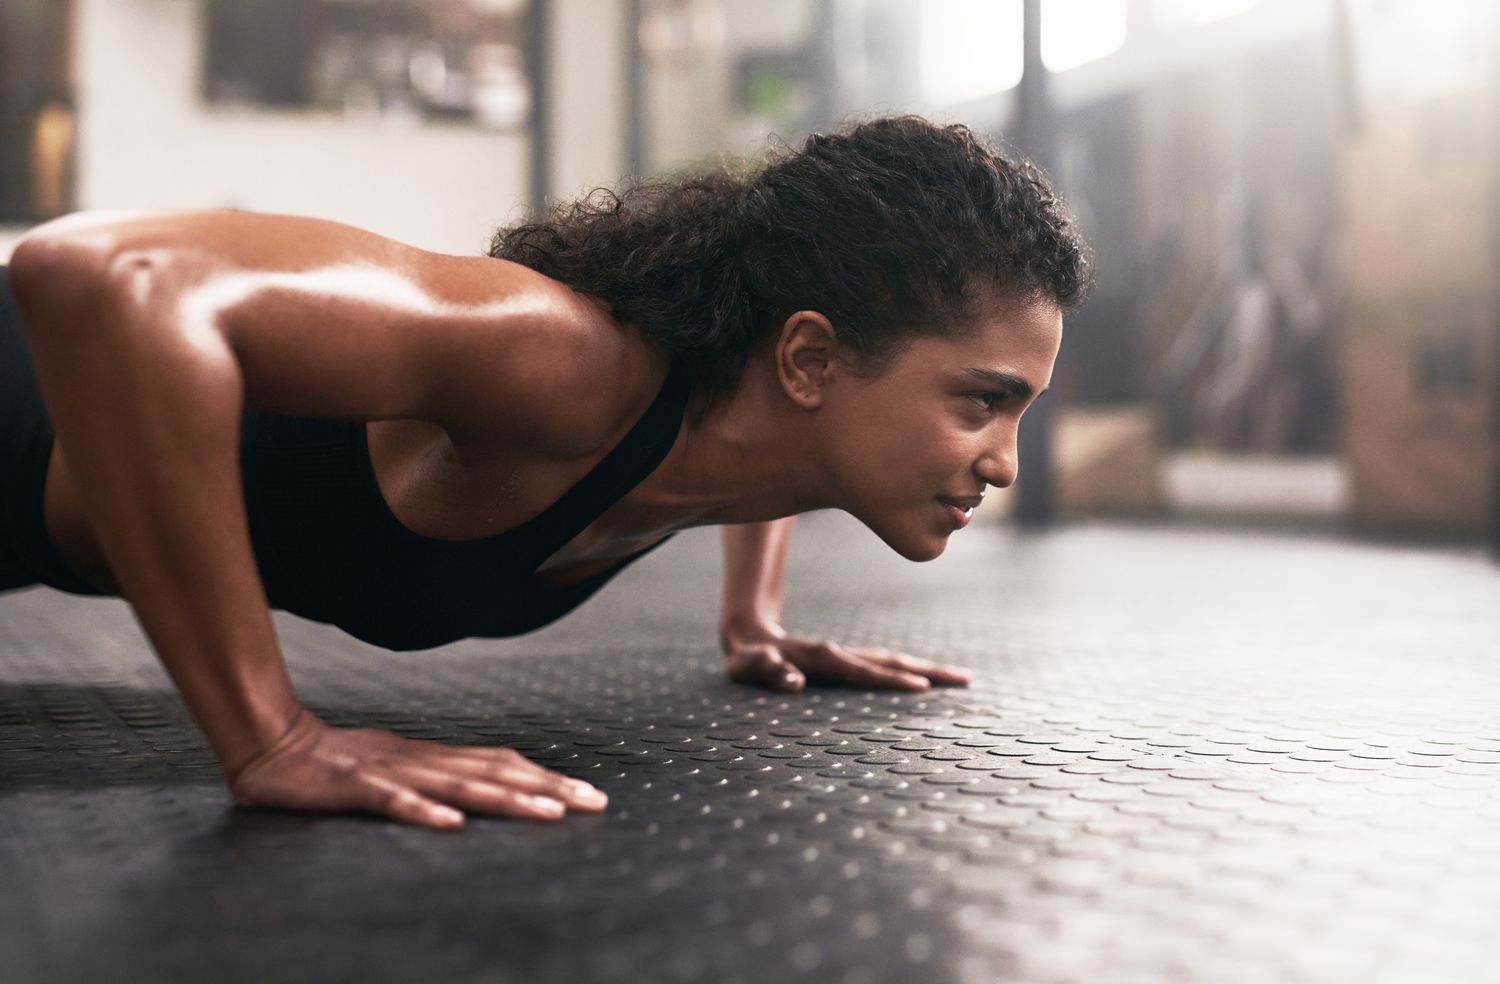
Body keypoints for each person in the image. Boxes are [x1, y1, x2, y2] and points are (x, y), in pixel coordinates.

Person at [0, 116, 1091, 829]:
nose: (1001, 462)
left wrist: (752, 621)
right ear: (810, 356)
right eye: (981, 401)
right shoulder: (564, 362)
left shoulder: (756, 421)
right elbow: (101, 275)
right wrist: (272, 737)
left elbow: (773, 454)